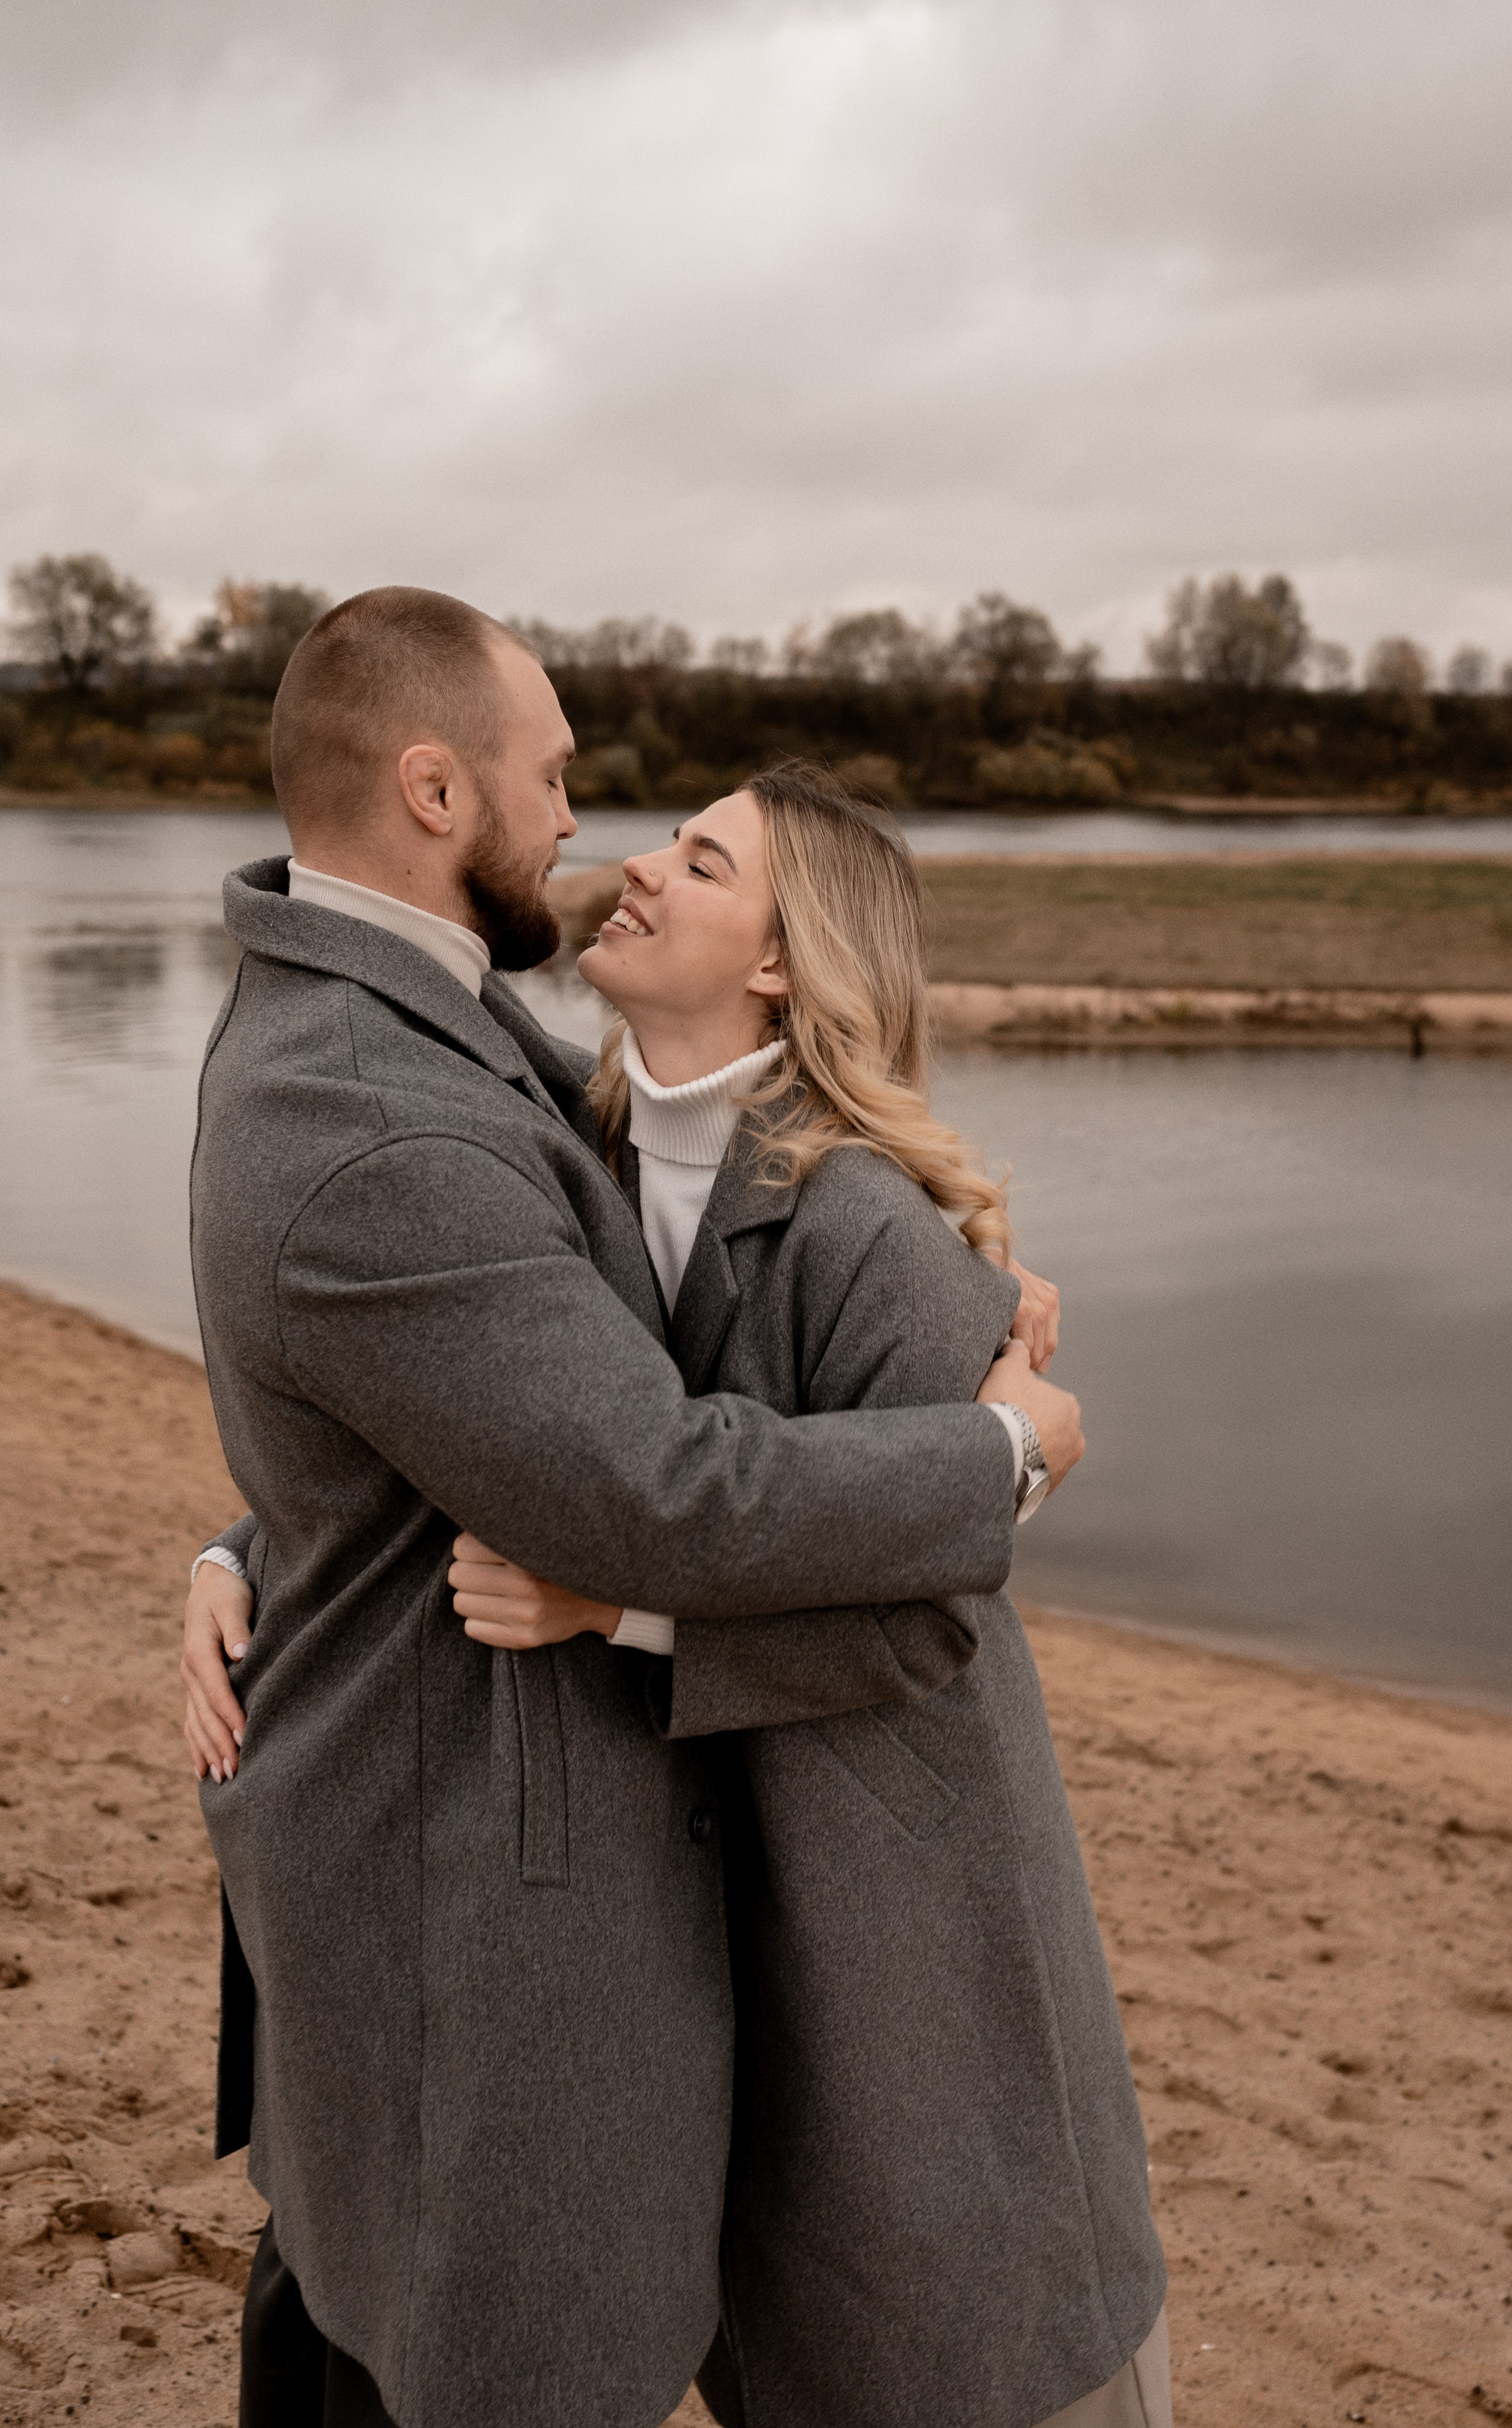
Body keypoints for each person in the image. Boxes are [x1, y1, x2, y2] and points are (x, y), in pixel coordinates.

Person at [180, 587, 1086, 2428]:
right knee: (391, 2334)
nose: (588, 832)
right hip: (461, 1915)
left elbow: (451, 1405)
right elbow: (642, 1485)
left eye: (695, 852)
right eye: (560, 780)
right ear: (436, 792)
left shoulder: (436, 1029)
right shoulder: (394, 1110)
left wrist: (274, 1538)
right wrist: (1008, 1454)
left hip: (777, 1927)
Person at [443, 764, 1171, 2427]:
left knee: (966, 2335)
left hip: (901, 1901)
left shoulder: (875, 1235)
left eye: (699, 861)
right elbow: (431, 1374)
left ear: (782, 960)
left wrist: (609, 1611)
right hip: (698, 1901)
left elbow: (923, 1619)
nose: (636, 867)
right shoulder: (577, 1161)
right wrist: (236, 1554)